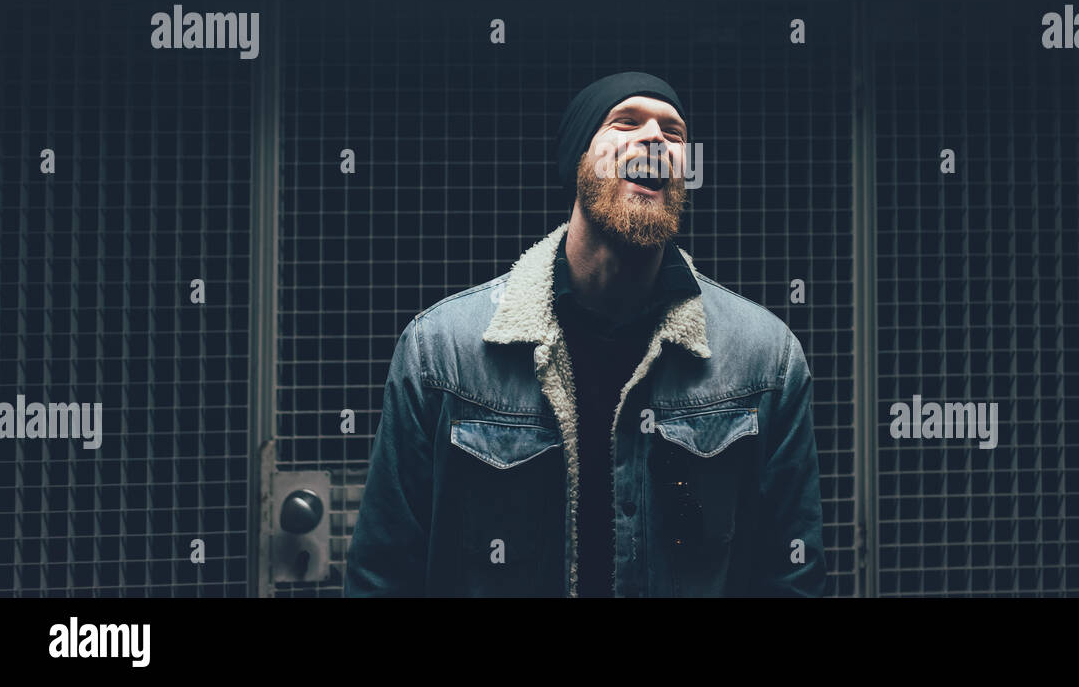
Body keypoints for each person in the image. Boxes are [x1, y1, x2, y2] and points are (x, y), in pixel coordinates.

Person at [345, 71, 825, 597]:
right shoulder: (443, 352)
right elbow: (383, 573)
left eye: (674, 133)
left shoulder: (765, 360)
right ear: (578, 162)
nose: (654, 140)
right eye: (625, 122)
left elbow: (791, 577)